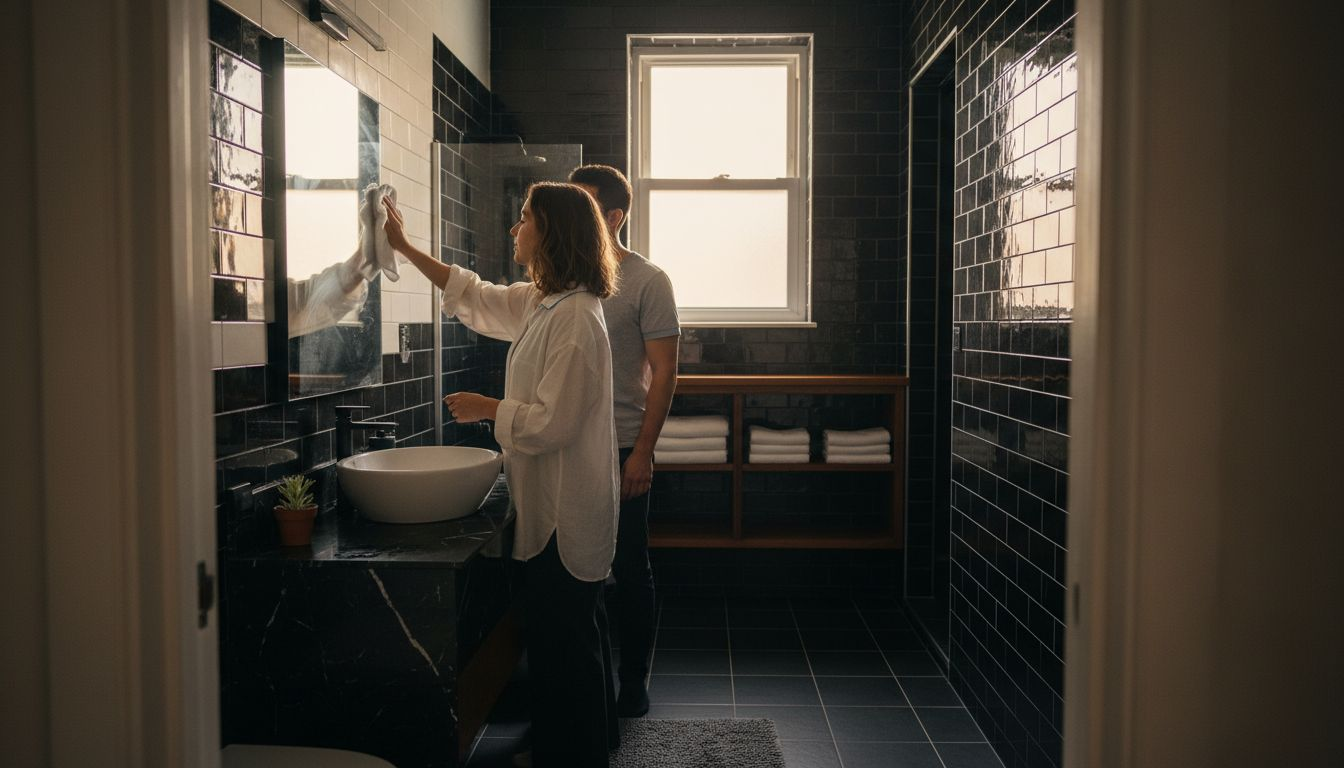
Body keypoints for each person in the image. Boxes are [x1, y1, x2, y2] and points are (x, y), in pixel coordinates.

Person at [382, 184, 620, 768]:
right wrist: (405, 249)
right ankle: (582, 747)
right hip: (552, 508)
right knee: (568, 642)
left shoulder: (578, 322)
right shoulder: (546, 305)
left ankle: (576, 756)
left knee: (567, 647)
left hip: (567, 514)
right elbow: (477, 294)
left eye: (523, 220)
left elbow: (551, 425)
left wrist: (488, 408)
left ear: (552, 233)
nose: (513, 230)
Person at [569, 164, 680, 718]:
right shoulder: (559, 278)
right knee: (570, 571)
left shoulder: (647, 280)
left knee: (630, 568)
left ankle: (632, 681)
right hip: (565, 447)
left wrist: (641, 453)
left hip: (620, 445)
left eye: (584, 207)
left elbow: (665, 372)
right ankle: (577, 685)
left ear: (614, 217)